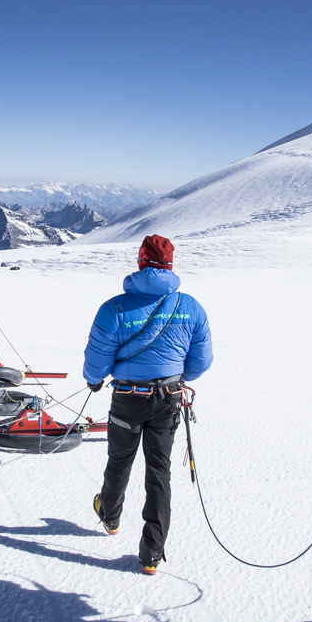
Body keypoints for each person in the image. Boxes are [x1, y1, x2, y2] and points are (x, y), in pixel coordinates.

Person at [83, 234, 213, 575]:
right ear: (171, 265)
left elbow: (97, 356)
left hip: (128, 398)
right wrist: (175, 376)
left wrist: (94, 379)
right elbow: (201, 361)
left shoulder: (114, 308)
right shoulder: (190, 307)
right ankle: (152, 554)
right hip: (168, 399)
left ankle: (110, 517)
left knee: (119, 461)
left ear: (140, 263)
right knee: (159, 473)